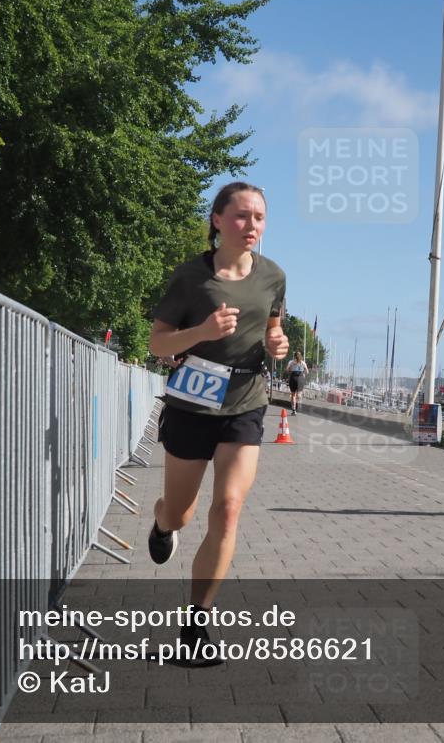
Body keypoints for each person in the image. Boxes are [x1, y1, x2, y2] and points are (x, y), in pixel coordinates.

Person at [148, 182, 288, 666]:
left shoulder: (273, 276)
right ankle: (162, 522)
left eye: (260, 218)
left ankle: (196, 624)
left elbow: (273, 328)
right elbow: (158, 344)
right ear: (217, 220)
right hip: (191, 405)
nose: (252, 226)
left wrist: (278, 345)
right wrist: (203, 332)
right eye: (242, 216)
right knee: (181, 513)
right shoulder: (191, 277)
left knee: (227, 509)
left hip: (246, 401)